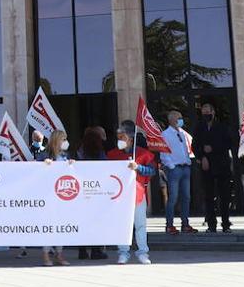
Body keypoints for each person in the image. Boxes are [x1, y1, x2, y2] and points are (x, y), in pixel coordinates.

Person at [107, 121, 156, 264]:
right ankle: (123, 252)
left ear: (130, 138)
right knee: (122, 224)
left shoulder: (143, 154)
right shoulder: (112, 154)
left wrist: (138, 167)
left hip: (137, 195)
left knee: (140, 225)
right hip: (120, 196)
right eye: (118, 137)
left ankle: (143, 252)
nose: (119, 140)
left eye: (122, 137)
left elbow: (152, 171)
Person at [193, 99, 235, 233]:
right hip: (206, 167)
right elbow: (195, 145)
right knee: (208, 196)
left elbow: (230, 143)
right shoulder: (199, 127)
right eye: (203, 112)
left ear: (213, 112)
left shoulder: (222, 127)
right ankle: (211, 224)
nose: (206, 115)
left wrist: (213, 148)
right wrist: (202, 156)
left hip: (221, 165)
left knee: (224, 196)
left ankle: (226, 224)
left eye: (207, 112)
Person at [39, 129, 74, 265]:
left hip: (62, 195)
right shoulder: (44, 155)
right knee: (49, 225)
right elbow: (34, 173)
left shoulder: (66, 155)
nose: (65, 142)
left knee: (62, 224)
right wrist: (43, 165)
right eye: (63, 139)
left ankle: (59, 254)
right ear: (56, 140)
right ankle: (46, 254)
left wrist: (71, 165)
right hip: (48, 195)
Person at [161, 110, 196, 234]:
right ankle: (169, 225)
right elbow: (163, 153)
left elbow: (189, 147)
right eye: (178, 118)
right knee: (173, 198)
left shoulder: (183, 133)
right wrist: (171, 166)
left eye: (181, 117)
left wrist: (189, 162)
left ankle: (185, 224)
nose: (181, 120)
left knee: (186, 197)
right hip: (174, 169)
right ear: (171, 120)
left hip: (185, 167)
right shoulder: (165, 134)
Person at [75, 127, 108, 259]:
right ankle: (96, 250)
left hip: (81, 190)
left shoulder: (79, 151)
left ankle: (82, 251)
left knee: (83, 221)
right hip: (96, 190)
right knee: (96, 221)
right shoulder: (98, 152)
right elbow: (105, 167)